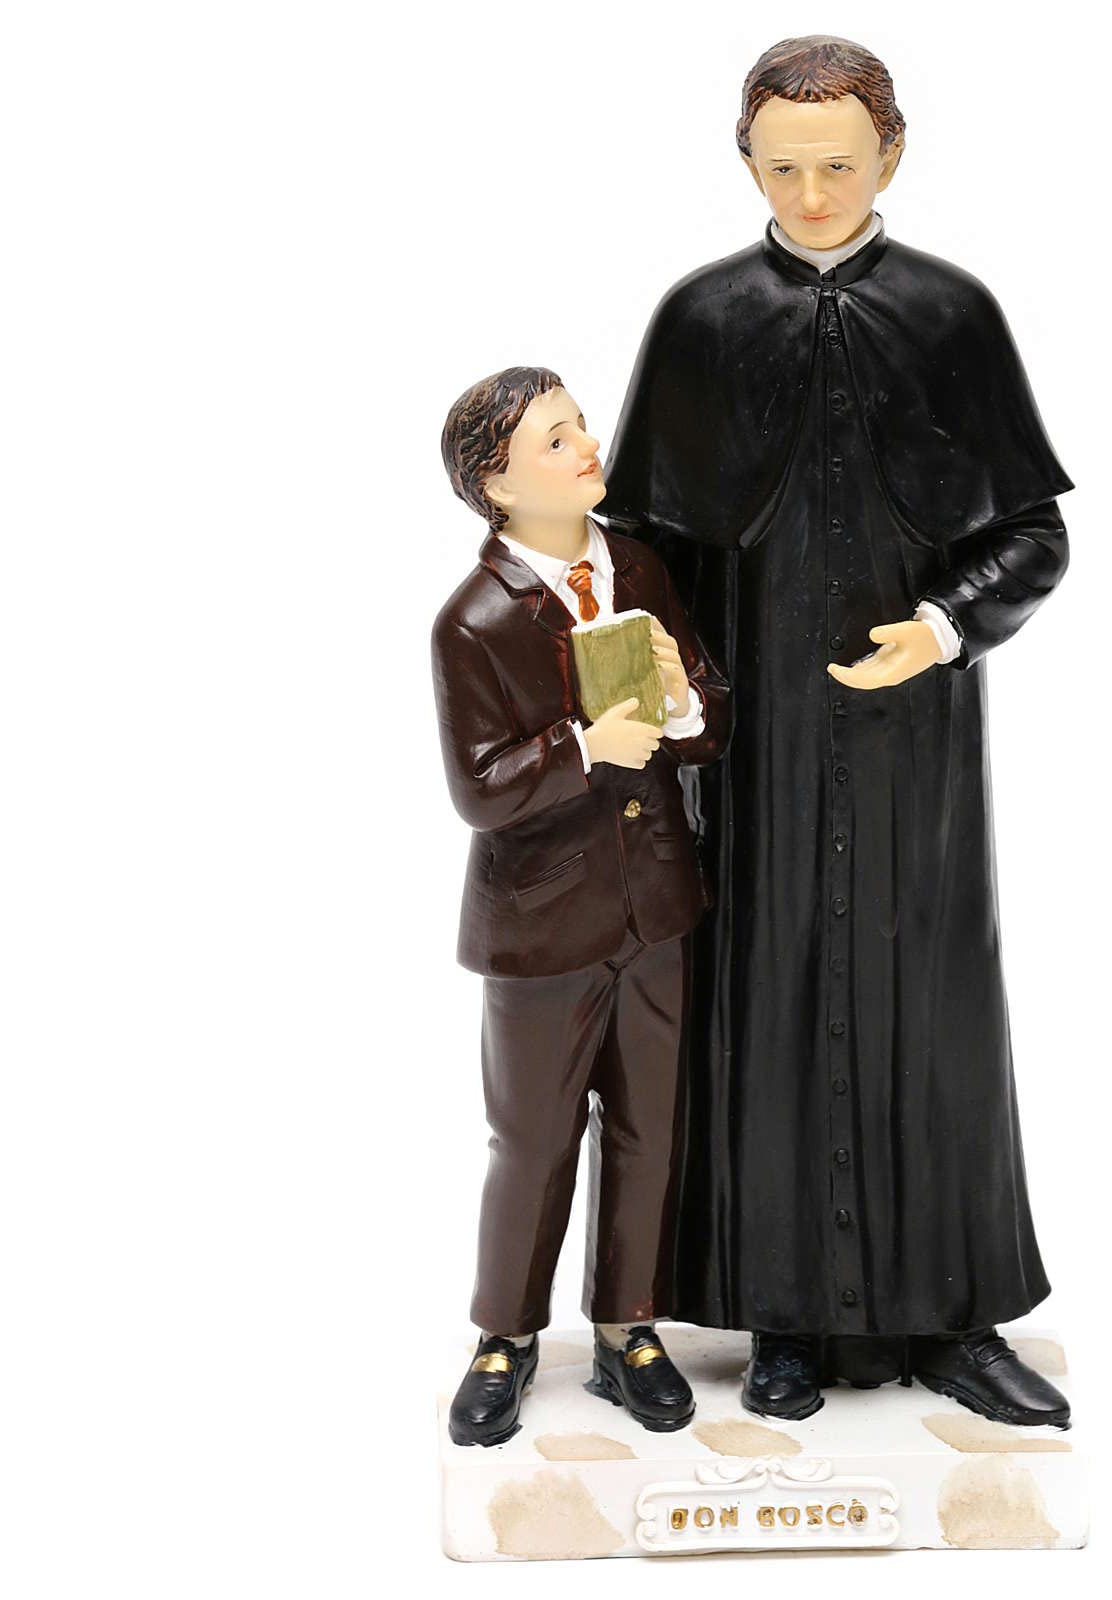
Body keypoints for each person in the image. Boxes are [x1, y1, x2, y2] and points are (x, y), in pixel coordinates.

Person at [602, 37, 1073, 1426]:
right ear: (745, 162)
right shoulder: (698, 319)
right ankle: (783, 1315)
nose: (811, 197)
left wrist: (941, 626)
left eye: (840, 166)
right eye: (782, 168)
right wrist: (643, 697)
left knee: (936, 1014)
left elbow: (1031, 535)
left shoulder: (953, 315)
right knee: (764, 1004)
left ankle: (954, 1316)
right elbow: (637, 550)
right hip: (750, 753)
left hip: (916, 754)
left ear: (893, 155)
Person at [432, 367, 730, 1445]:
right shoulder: (472, 621)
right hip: (542, 929)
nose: (586, 447)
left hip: (655, 910)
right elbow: (479, 790)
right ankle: (504, 1335)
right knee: (533, 1138)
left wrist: (683, 695)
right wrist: (580, 746)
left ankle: (627, 1325)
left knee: (649, 1130)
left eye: (580, 427)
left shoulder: (639, 567)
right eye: (554, 442)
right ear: (500, 487)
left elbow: (710, 723)